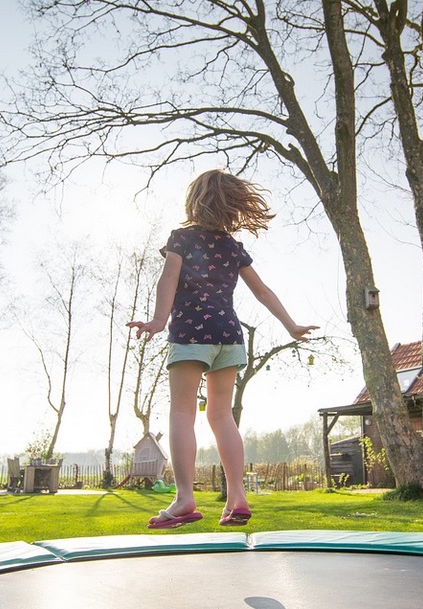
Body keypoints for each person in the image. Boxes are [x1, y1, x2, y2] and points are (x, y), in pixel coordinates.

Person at [127, 169, 318, 529]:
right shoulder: (233, 247)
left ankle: (184, 498)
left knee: (182, 413)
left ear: (195, 200)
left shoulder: (181, 239)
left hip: (191, 334)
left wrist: (156, 321)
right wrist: (290, 325)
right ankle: (237, 497)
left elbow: (167, 278)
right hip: (229, 335)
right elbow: (262, 291)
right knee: (221, 415)